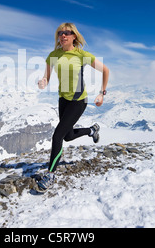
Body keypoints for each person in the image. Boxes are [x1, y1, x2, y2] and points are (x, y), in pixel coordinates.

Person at [37, 22, 109, 192]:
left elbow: (105, 70)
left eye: (67, 32)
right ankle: (92, 130)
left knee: (57, 136)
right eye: (60, 32)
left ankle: (51, 175)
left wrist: (101, 93)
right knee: (67, 136)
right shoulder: (53, 56)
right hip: (63, 100)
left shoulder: (81, 55)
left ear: (74, 36)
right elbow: (46, 77)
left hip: (78, 101)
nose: (63, 35)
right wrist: (43, 82)